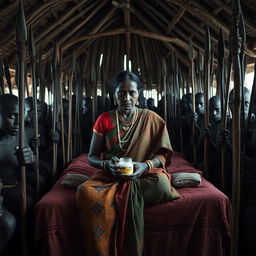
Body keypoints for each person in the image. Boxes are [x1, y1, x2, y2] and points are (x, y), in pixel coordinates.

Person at [76, 71, 179, 256]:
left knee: (162, 185)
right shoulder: (104, 119)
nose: (127, 97)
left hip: (144, 174)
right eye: (121, 93)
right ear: (113, 95)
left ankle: (124, 194)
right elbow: (91, 157)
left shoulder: (152, 119)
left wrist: (145, 166)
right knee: (85, 193)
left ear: (139, 94)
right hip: (111, 174)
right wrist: (106, 165)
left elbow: (163, 154)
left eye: (131, 92)